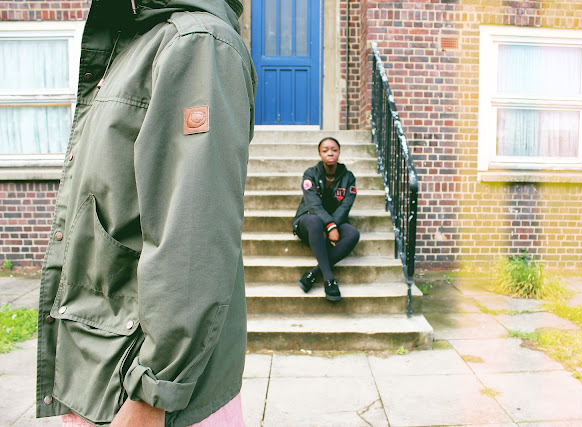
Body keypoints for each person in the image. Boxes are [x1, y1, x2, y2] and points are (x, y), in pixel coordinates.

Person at [35, 0, 256, 426]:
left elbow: (194, 240)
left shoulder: (196, 43)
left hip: (137, 393)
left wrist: (153, 395)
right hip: (104, 372)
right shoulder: (140, 39)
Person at [292, 137, 360, 302]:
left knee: (353, 234)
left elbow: (345, 207)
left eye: (334, 150)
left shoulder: (348, 177)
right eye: (325, 150)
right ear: (320, 154)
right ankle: (329, 279)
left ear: (339, 152)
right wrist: (330, 226)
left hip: (336, 221)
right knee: (315, 221)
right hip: (308, 221)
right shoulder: (310, 174)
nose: (330, 153)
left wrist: (332, 226)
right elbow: (313, 205)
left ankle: (312, 274)